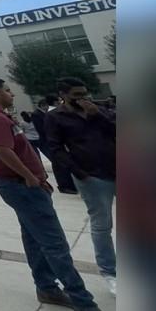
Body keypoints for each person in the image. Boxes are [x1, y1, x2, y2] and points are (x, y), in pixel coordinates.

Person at [0, 77, 116, 311]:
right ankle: (84, 304)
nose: (12, 94)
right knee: (55, 244)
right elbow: (2, 150)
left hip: (20, 184)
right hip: (22, 186)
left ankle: (47, 288)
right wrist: (31, 177)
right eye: (7, 90)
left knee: (32, 236)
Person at [44, 77, 118, 295]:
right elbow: (55, 148)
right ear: (63, 95)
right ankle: (110, 271)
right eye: (76, 95)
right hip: (91, 176)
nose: (82, 99)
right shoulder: (55, 117)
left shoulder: (99, 110)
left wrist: (98, 115)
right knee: (102, 224)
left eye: (84, 94)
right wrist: (78, 172)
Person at [33, 95, 77, 194]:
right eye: (58, 101)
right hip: (48, 142)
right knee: (59, 163)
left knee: (61, 163)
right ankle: (65, 185)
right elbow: (42, 130)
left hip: (54, 141)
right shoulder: (40, 114)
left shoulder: (49, 112)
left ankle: (68, 184)